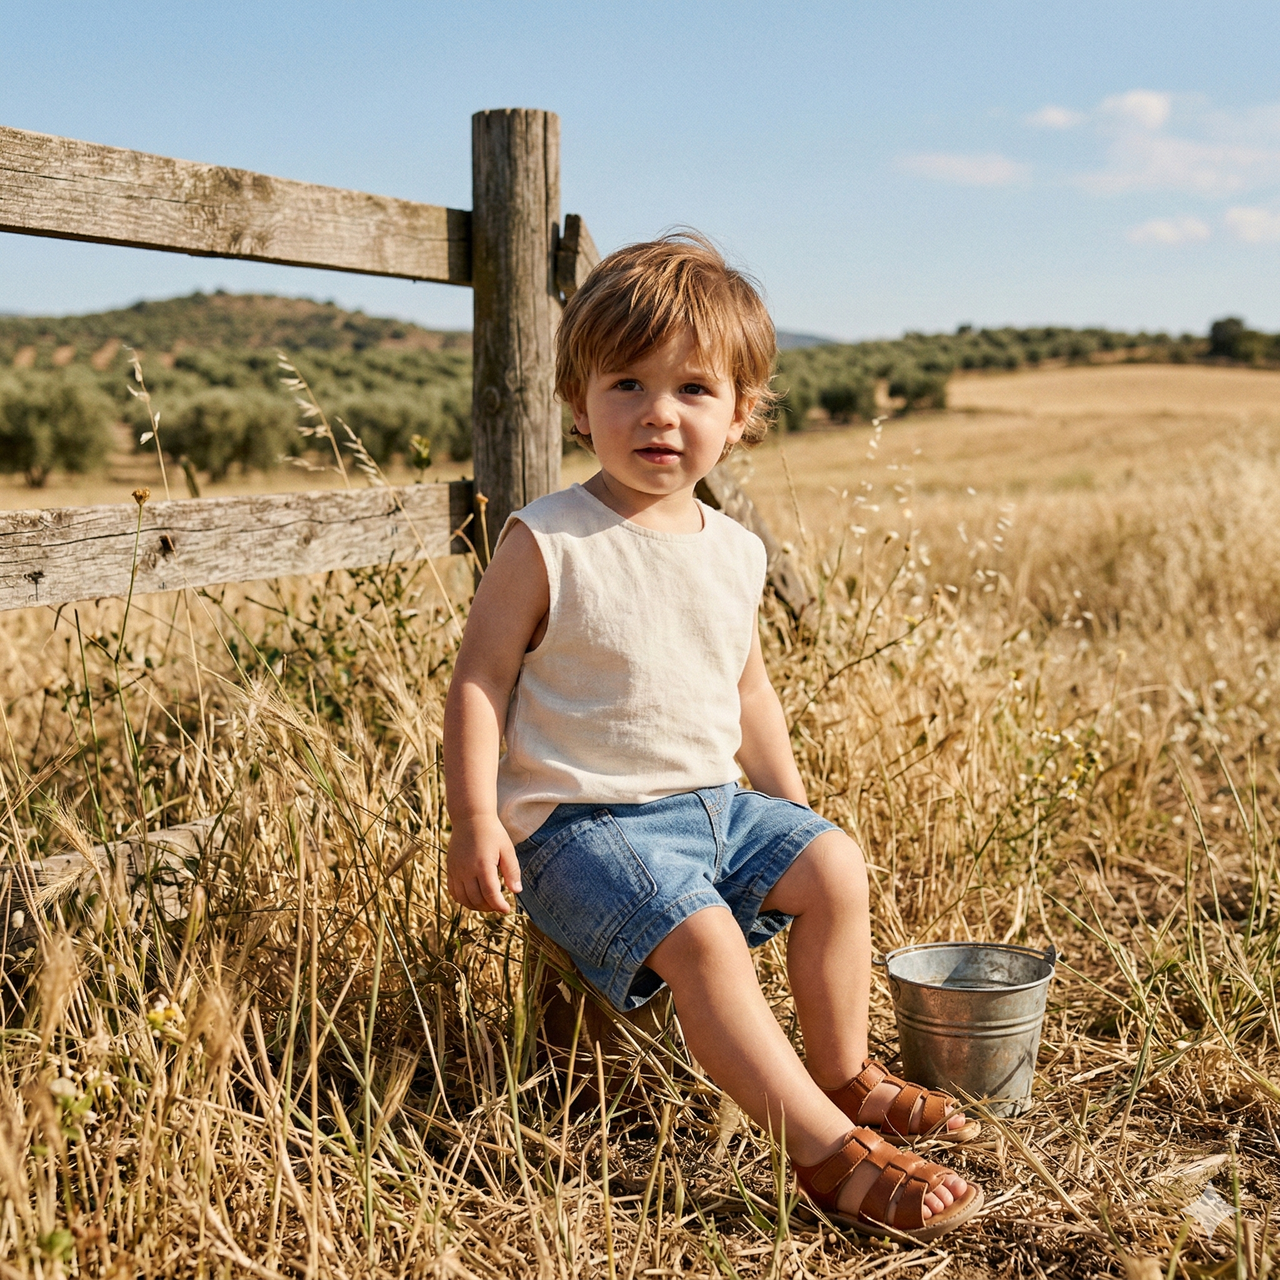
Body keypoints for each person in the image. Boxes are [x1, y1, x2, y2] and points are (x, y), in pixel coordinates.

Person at [443, 233, 984, 1241]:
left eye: (693, 389)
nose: (657, 411)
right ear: (577, 402)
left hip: (712, 808)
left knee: (831, 865)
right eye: (627, 384)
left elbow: (746, 688)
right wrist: (475, 817)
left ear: (738, 417)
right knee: (700, 938)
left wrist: (788, 804)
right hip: (580, 828)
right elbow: (478, 677)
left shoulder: (734, 549)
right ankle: (823, 1152)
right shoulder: (548, 537)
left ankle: (841, 1073)